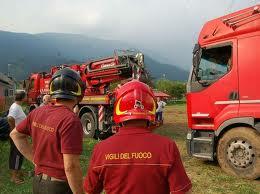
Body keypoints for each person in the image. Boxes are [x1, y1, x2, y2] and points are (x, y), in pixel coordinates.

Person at [83, 80, 192, 194]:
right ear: (152, 108)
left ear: (118, 108)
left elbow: (90, 190)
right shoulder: (168, 146)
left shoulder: (101, 149)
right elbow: (180, 190)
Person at [10, 68, 86, 194]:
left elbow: (15, 135)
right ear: (78, 92)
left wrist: (35, 160)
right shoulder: (71, 120)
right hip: (58, 187)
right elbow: (70, 167)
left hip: (38, 182)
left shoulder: (37, 112)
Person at [7, 91, 27, 184]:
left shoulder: (17, 106)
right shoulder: (15, 107)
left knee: (18, 154)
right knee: (16, 155)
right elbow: (10, 118)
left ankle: (17, 173)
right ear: (23, 98)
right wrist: (13, 130)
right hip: (17, 136)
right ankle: (14, 177)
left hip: (19, 135)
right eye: (25, 96)